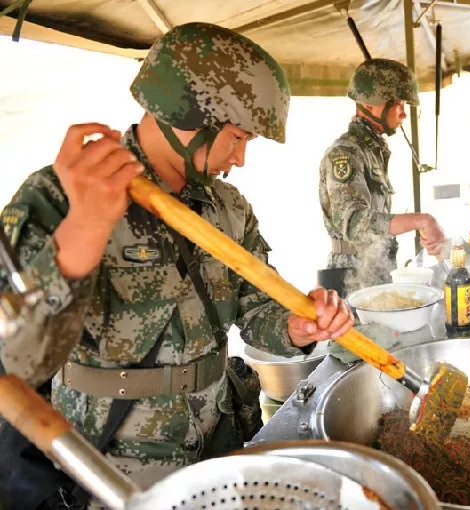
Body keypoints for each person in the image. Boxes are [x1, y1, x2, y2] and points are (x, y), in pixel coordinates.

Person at [0, 22, 353, 507]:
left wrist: (295, 326)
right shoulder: (61, 195)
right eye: (236, 138)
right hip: (113, 471)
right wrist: (80, 233)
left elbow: (256, 315)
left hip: (217, 444)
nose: (242, 159)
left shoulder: (229, 207)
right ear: (188, 114)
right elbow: (12, 363)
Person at [318, 58, 445, 289]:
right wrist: (422, 220)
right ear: (370, 103)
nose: (403, 114)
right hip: (352, 279)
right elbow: (355, 222)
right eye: (397, 103)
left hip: (375, 270)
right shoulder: (345, 153)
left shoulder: (371, 151)